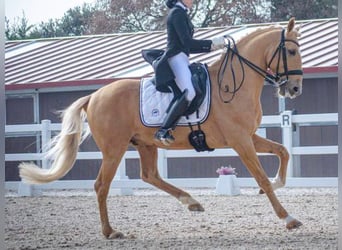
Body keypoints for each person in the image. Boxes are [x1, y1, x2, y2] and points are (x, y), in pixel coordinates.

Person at [154, 0, 226, 145]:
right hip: (175, 58)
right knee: (189, 92)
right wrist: (211, 43)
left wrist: (212, 47)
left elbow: (188, 47)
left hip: (182, 57)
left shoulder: (182, 13)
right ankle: (164, 130)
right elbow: (187, 42)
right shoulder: (177, 13)